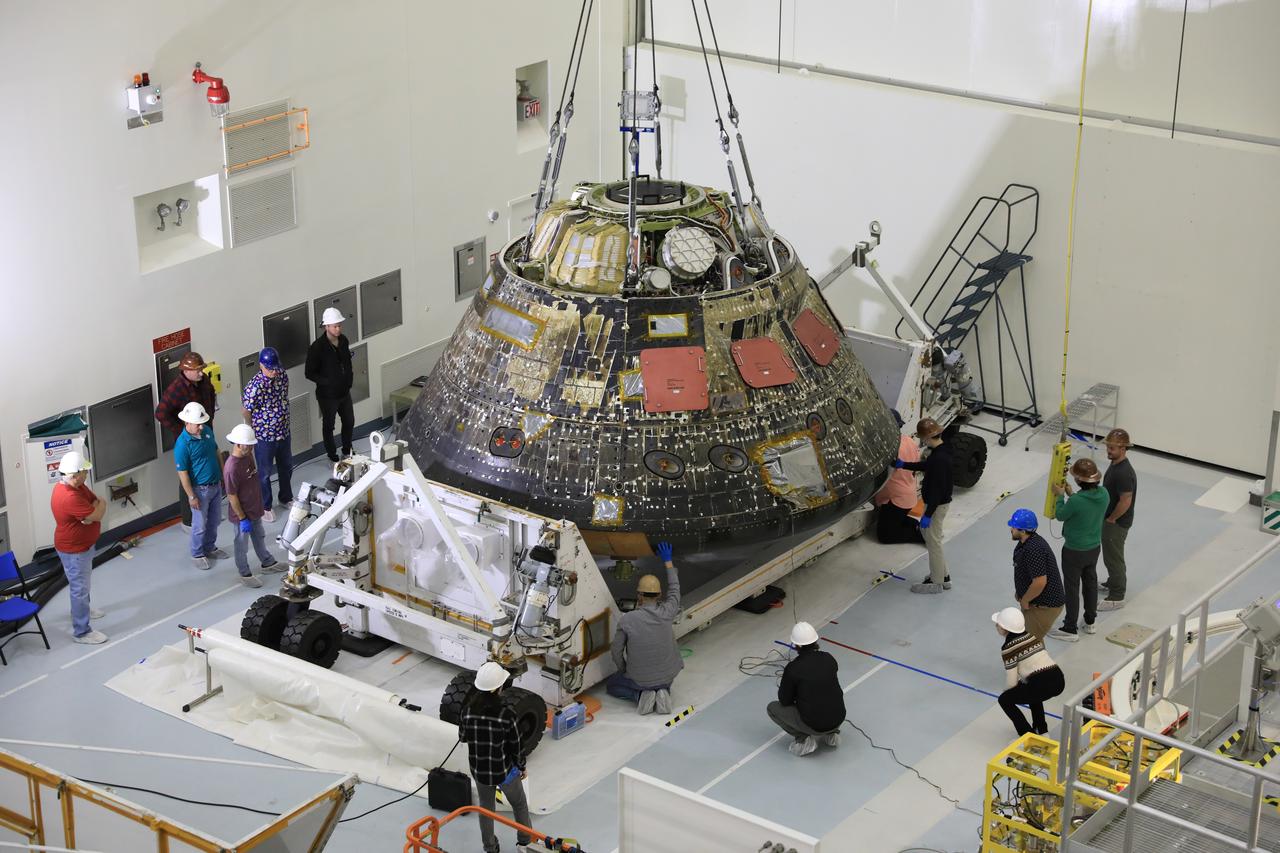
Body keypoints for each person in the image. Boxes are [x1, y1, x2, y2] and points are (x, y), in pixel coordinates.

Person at [459, 661, 533, 853]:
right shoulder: (506, 715)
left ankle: (490, 848)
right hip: (504, 771)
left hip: (480, 771)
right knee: (519, 804)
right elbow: (516, 746)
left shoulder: (467, 711)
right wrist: (522, 766)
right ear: (498, 688)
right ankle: (525, 842)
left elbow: (463, 737)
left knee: (486, 810)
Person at [608, 541, 681, 714]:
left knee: (612, 685)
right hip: (669, 675)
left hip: (640, 679)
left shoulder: (628, 620)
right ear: (659, 594)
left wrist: (624, 670)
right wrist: (668, 561)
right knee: (661, 681)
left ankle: (639, 696)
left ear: (639, 595)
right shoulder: (668, 611)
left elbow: (616, 651)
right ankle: (664, 692)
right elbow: (675, 589)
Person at [50, 451, 108, 644]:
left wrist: (94, 509)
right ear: (74, 475)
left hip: (82, 547)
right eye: (84, 472)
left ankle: (83, 609)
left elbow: (96, 502)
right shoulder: (69, 497)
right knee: (79, 588)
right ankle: (82, 632)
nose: (86, 475)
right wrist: (97, 508)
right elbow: (98, 512)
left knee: (82, 584)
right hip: (74, 550)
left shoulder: (78, 486)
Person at [1049, 458, 1109, 642]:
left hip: (1074, 550)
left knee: (1072, 588)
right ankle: (1090, 621)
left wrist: (1060, 496)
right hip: (1093, 548)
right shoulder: (1104, 494)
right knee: (1090, 583)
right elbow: (1085, 505)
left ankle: (1070, 628)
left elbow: (1060, 515)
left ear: (1079, 480)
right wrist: (1071, 494)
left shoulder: (1076, 502)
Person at [155, 351, 217, 526]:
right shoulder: (176, 389)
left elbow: (211, 395)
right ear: (186, 370)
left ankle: (208, 511)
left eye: (201, 369)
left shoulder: (203, 381)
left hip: (205, 433)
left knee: (207, 467)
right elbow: (161, 413)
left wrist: (209, 419)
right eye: (197, 370)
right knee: (187, 476)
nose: (201, 372)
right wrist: (182, 431)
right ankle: (188, 521)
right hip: (189, 440)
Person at [768, 621, 846, 756]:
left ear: (796, 645)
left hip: (815, 724)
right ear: (815, 640)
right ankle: (832, 734)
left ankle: (803, 740)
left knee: (772, 708)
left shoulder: (793, 668)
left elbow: (785, 701)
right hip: (838, 717)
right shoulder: (829, 658)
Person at [895, 418, 954, 593]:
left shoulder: (939, 459)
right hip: (938, 504)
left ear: (928, 438)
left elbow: (936, 490)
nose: (922, 441)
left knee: (933, 542)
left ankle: (936, 582)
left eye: (923, 438)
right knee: (934, 540)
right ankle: (944, 577)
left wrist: (928, 514)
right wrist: (904, 465)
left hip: (936, 505)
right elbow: (927, 466)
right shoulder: (942, 451)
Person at [223, 424, 280, 588]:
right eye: (249, 445)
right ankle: (244, 573)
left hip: (255, 509)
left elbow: (253, 476)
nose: (252, 448)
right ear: (238, 444)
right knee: (241, 544)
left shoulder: (248, 456)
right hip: (242, 515)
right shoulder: (231, 468)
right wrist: (242, 518)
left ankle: (267, 562)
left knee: (260, 536)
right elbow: (232, 496)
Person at [993, 606, 1065, 736]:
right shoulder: (1030, 636)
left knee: (1005, 700)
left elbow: (1011, 680)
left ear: (1004, 628)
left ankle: (1027, 735)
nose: (996, 626)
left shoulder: (1008, 648)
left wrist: (1008, 693)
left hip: (1040, 683)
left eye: (998, 624)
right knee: (1030, 690)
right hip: (1058, 679)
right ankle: (1041, 729)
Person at [242, 346, 292, 523]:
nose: (273, 372)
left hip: (283, 431)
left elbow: (284, 396)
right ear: (261, 366)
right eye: (269, 369)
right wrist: (252, 427)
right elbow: (246, 410)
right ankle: (265, 506)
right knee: (264, 473)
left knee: (286, 466)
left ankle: (285, 497)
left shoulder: (282, 376)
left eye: (275, 368)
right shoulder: (254, 387)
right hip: (264, 436)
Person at [174, 402, 226, 570]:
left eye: (202, 423)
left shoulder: (207, 432)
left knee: (214, 520)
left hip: (215, 485)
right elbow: (183, 474)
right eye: (198, 424)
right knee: (199, 525)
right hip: (200, 490)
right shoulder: (182, 445)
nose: (201, 427)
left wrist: (223, 474)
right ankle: (197, 553)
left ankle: (210, 547)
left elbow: (217, 451)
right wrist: (191, 496)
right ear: (187, 423)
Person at [1007, 509, 1066, 641]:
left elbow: (1040, 582)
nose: (1011, 529)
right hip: (1036, 602)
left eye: (1014, 527)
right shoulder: (1026, 542)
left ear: (1022, 531)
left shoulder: (1033, 549)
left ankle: (1037, 662)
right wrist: (1021, 593)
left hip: (1045, 606)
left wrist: (1025, 600)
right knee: (1032, 642)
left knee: (1028, 643)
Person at [305, 307, 354, 462]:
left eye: (339, 325)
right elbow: (309, 373)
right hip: (328, 396)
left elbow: (347, 363)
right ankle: (332, 456)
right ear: (326, 326)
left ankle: (347, 450)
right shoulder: (317, 348)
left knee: (349, 421)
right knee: (329, 426)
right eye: (335, 326)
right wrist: (328, 382)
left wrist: (348, 380)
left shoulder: (344, 341)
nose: (338, 328)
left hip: (344, 392)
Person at [1098, 428, 1137, 612]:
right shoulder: (1115, 464)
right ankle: (1112, 582)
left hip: (1117, 523)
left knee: (1114, 558)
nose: (1108, 451)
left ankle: (1117, 595)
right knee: (1109, 555)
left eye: (1112, 448)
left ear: (1123, 448)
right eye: (1108, 447)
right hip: (1111, 519)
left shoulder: (1124, 472)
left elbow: (1126, 500)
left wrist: (1112, 519)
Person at [875, 410, 925, 545]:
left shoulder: (889, 448)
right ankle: (915, 524)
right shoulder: (910, 441)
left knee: (885, 536)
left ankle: (920, 535)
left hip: (896, 500)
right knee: (899, 520)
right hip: (910, 494)